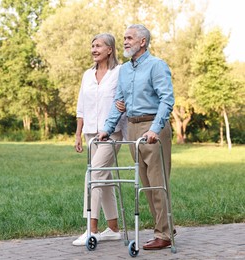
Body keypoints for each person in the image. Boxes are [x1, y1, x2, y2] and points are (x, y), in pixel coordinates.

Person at [98, 24, 175, 250]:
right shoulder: (124, 70)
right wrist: (107, 127)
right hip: (132, 128)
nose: (125, 42)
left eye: (129, 38)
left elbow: (166, 100)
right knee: (145, 183)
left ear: (143, 42)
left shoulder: (156, 66)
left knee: (157, 183)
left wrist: (155, 127)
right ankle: (165, 226)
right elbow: (119, 102)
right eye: (124, 38)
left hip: (153, 128)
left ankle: (164, 233)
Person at [73, 33, 127, 246]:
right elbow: (81, 106)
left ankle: (91, 229)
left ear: (110, 49)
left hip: (111, 133)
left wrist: (126, 104)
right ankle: (113, 228)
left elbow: (128, 95)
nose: (94, 49)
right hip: (90, 133)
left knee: (94, 174)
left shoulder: (119, 72)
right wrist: (78, 133)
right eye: (92, 46)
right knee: (104, 179)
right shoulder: (87, 74)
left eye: (98, 46)